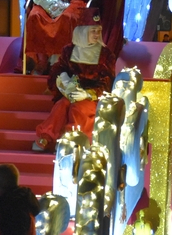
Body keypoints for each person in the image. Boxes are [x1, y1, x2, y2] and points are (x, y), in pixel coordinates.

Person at [33, 9, 115, 151]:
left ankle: (74, 141)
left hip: (92, 98)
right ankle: (46, 136)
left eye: (98, 31)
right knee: (61, 105)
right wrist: (63, 79)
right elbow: (57, 69)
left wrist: (88, 94)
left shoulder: (105, 54)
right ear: (83, 31)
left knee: (78, 108)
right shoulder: (69, 50)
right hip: (71, 93)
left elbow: (108, 81)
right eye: (93, 31)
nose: (96, 34)